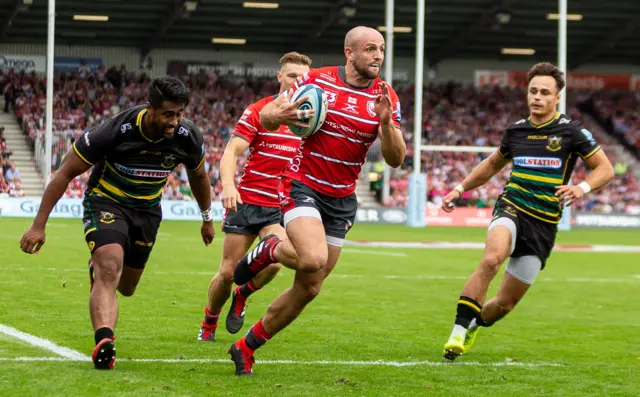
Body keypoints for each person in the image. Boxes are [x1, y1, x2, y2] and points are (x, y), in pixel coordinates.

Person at [227, 26, 406, 376]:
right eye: (370, 49)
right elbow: (266, 116)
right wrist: (282, 116)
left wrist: (386, 123)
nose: (378, 56)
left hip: (342, 198)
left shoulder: (386, 96)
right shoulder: (316, 81)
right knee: (312, 259)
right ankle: (270, 250)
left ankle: (247, 346)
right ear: (349, 52)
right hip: (301, 184)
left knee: (310, 287)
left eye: (381, 49)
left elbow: (396, 159)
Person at [19, 76, 215, 370]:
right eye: (168, 114)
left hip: (147, 210)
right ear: (150, 109)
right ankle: (104, 341)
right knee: (109, 267)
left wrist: (206, 218)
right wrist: (39, 225)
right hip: (106, 202)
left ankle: (95, 271)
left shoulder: (187, 136)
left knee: (127, 287)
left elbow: (198, 177)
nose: (175, 121)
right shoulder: (114, 131)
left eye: (180, 113)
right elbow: (64, 173)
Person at [440, 62, 615, 361]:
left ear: (557, 97)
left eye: (545, 92)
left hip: (543, 224)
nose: (537, 97)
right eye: (533, 91)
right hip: (512, 206)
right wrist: (460, 188)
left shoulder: (572, 132)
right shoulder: (516, 131)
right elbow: (492, 165)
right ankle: (457, 330)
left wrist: (581, 188)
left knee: (504, 305)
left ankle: (475, 324)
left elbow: (605, 168)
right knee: (492, 259)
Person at [197, 52, 313, 342]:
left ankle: (243, 295)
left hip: (278, 207)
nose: (297, 81)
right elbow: (231, 151)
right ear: (279, 77)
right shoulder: (260, 111)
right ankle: (209, 323)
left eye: (303, 77)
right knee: (227, 273)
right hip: (246, 201)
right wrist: (227, 185)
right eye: (291, 76)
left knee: (275, 261)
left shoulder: (312, 119)